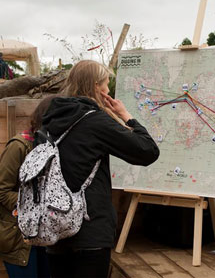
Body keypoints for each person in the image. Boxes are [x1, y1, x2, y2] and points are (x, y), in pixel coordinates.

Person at [42, 60, 160, 278]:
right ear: (97, 87)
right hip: (90, 232)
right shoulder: (95, 121)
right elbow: (148, 151)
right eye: (106, 84)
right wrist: (126, 116)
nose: (108, 90)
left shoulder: (50, 118)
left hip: (55, 228)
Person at [0, 96, 56, 278]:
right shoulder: (19, 146)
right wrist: (29, 208)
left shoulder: (55, 147)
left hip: (46, 235)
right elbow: (2, 190)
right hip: (19, 238)